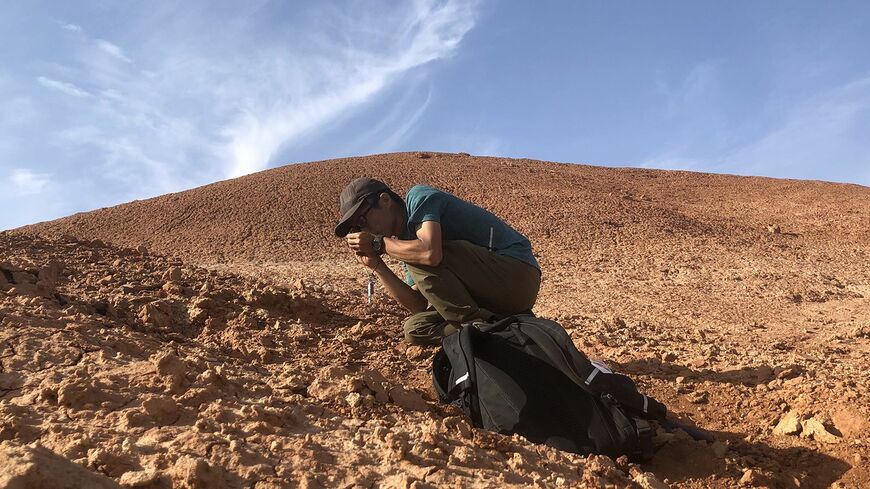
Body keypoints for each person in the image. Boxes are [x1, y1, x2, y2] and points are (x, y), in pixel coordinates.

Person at [335, 177, 542, 345]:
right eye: (357, 228)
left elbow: (430, 253)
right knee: (415, 329)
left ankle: (477, 328)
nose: (365, 230)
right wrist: (378, 266)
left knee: (422, 255)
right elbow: (418, 303)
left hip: (517, 274)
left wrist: (380, 244)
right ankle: (497, 322)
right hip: (493, 296)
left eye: (363, 220)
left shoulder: (418, 197)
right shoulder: (405, 245)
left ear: (385, 200)